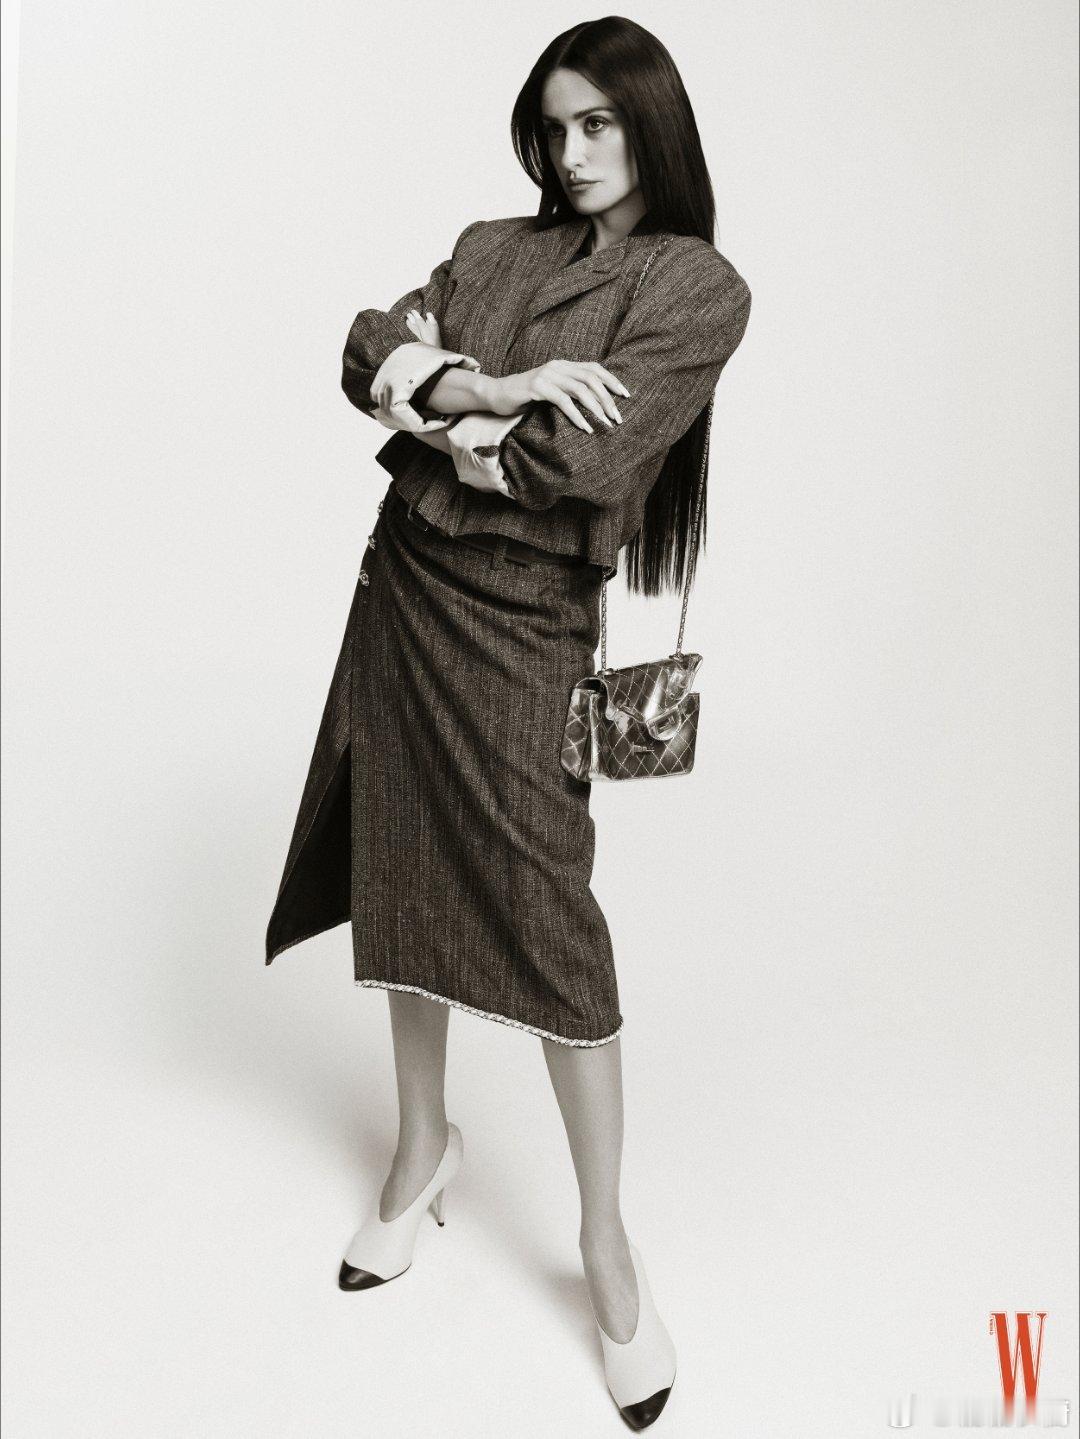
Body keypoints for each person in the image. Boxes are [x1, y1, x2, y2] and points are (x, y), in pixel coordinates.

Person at [265, 16, 751, 1430]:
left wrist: (444, 403)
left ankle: (605, 1243)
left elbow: (572, 460)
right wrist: (488, 384)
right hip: (407, 592)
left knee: (548, 917)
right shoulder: (491, 246)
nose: (574, 152)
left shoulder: (695, 286)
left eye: (602, 123)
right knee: (399, 863)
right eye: (556, 125)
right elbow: (364, 347)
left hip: (531, 619)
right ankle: (421, 1149)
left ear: (653, 125)